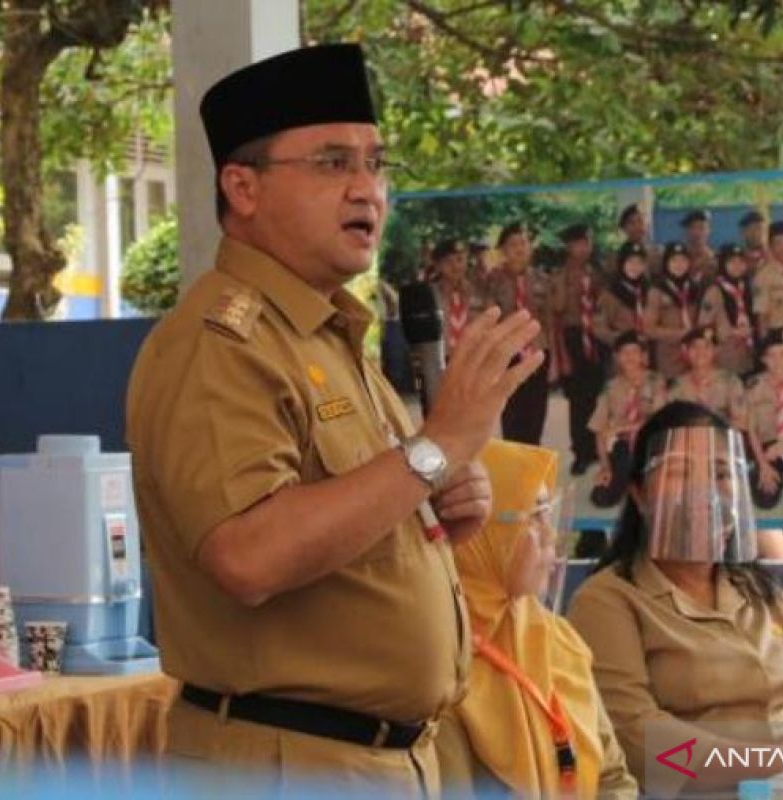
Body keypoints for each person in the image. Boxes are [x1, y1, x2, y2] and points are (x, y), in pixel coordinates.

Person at [126, 44, 545, 794]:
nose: (367, 190)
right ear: (242, 186)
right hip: (283, 761)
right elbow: (248, 556)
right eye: (330, 163)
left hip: (381, 761)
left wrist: (441, 486)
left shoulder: (329, 337)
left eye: (377, 164)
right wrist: (437, 446)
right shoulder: (221, 344)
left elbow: (364, 512)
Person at [567, 402, 783, 798]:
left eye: (721, 473)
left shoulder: (761, 591)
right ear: (639, 493)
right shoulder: (608, 600)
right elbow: (639, 741)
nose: (704, 491)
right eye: (681, 471)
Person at [435, 439, 639, 798]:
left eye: (550, 513)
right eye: (535, 515)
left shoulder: (557, 639)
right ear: (481, 533)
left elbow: (614, 777)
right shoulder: (440, 662)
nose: (551, 535)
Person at [488, 221, 556, 445]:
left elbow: (549, 321)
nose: (519, 249)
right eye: (512, 244)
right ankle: (514, 469)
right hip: (509, 356)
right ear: (503, 251)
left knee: (536, 415)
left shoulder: (542, 280)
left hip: (537, 353)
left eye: (523, 243)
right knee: (512, 416)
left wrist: (554, 359)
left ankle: (532, 470)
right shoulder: (492, 281)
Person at [552, 223, 609, 476]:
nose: (585, 248)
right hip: (573, 337)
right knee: (578, 400)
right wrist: (561, 354)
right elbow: (557, 313)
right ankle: (580, 452)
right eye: (579, 243)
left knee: (598, 397)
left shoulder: (598, 271)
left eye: (588, 242)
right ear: (569, 247)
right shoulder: (561, 274)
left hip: (596, 337)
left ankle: (597, 448)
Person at [588, 331, 667, 508]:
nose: (630, 357)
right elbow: (600, 430)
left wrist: (622, 428)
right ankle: (627, 484)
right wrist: (605, 466)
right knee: (601, 497)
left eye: (635, 352)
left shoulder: (656, 381)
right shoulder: (611, 387)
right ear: (616, 357)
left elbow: (658, 420)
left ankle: (641, 487)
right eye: (624, 353)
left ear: (643, 356)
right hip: (622, 449)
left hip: (651, 445)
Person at [744, 327, 783, 510]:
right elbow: (751, 429)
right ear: (764, 360)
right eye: (772, 355)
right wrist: (763, 464)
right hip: (768, 445)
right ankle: (760, 472)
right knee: (765, 498)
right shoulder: (754, 386)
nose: (778, 360)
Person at [667, 326, 746, 426]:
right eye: (694, 347)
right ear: (686, 352)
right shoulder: (677, 386)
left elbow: (741, 421)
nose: (700, 351)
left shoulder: (730, 382)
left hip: (721, 438)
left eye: (706, 346)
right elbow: (669, 422)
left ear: (715, 350)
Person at [697, 243, 756, 376]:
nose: (737, 266)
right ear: (723, 264)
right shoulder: (714, 290)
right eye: (732, 262)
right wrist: (729, 332)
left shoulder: (746, 288)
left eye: (741, 261)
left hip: (747, 355)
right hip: (725, 356)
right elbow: (703, 326)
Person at [646, 241, 699, 379]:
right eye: (674, 260)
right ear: (666, 264)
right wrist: (679, 335)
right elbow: (648, 329)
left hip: (695, 355)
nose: (679, 265)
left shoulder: (695, 288)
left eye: (683, 260)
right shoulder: (656, 290)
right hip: (668, 356)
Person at [431, 238, 485, 354]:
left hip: (473, 357)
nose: (455, 266)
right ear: (438, 266)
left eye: (460, 260)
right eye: (448, 262)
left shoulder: (478, 291)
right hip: (443, 360)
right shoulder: (430, 296)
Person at [593, 242, 650, 349]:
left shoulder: (649, 291)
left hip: (648, 351)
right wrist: (621, 339)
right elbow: (599, 328)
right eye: (630, 262)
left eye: (639, 263)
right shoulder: (611, 293)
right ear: (621, 264)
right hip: (622, 352)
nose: (635, 267)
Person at [752, 220, 783, 336]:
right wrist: (765, 345)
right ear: (771, 246)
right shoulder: (763, 277)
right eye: (779, 243)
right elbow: (761, 317)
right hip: (779, 335)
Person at [681, 209, 717, 283]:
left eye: (701, 227)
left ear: (709, 230)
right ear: (686, 231)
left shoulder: (715, 260)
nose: (697, 232)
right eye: (692, 227)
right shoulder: (676, 258)